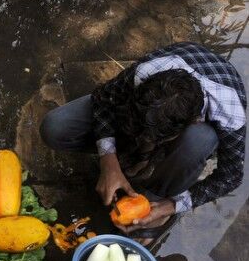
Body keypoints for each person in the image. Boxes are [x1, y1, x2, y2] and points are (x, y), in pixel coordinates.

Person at [41, 42, 246, 243]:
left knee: (200, 140)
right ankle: (128, 157)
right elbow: (103, 100)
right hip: (145, 109)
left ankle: (158, 195)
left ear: (190, 122)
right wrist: (108, 161)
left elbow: (231, 177)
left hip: (195, 134)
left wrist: (170, 205)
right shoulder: (148, 71)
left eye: (153, 138)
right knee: (55, 127)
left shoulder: (230, 112)